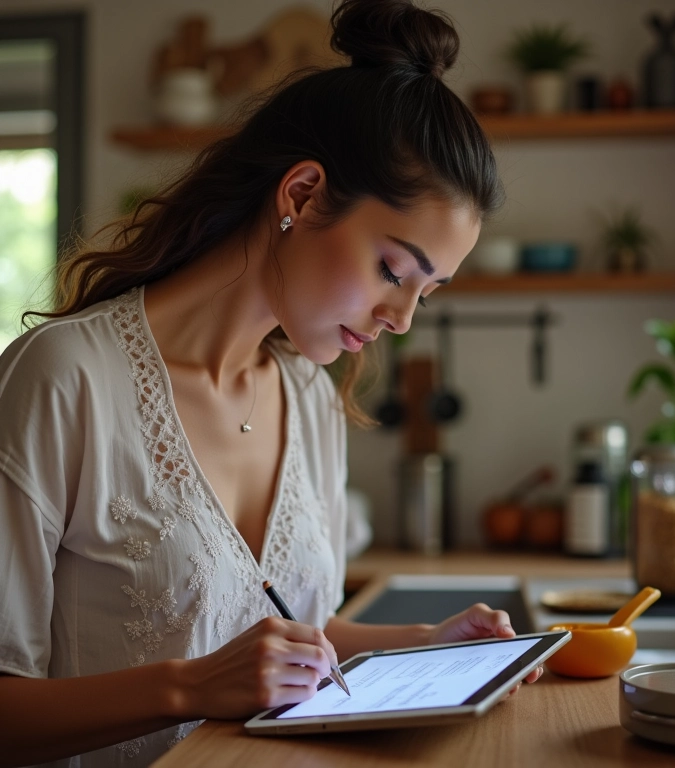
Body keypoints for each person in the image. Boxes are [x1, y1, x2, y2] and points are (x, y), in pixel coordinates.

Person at [0, 1, 542, 765]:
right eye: (393, 270)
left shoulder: (309, 396)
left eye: (428, 291)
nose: (402, 318)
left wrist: (426, 642)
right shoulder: (65, 379)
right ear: (301, 195)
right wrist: (188, 689)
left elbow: (280, 640)